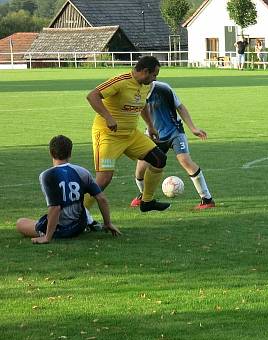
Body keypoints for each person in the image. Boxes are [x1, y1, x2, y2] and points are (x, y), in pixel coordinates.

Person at [85, 55, 170, 215]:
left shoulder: (145, 85)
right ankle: (78, 211)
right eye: (154, 74)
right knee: (103, 180)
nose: (155, 78)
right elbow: (92, 96)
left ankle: (147, 201)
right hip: (107, 135)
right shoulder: (121, 81)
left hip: (131, 136)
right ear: (145, 71)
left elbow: (142, 104)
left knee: (159, 159)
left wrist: (150, 126)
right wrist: (108, 117)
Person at [16, 135, 121, 244]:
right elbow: (101, 198)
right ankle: (90, 223)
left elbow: (55, 208)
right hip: (80, 225)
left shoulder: (47, 175)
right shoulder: (82, 172)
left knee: (20, 223)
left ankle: (49, 231)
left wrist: (47, 237)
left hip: (62, 229)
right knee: (76, 203)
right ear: (70, 153)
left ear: (51, 153)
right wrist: (107, 223)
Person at [130, 80, 215, 210]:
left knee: (185, 161)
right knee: (140, 169)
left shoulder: (163, 88)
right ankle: (144, 197)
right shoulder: (135, 91)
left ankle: (207, 199)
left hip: (174, 132)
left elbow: (180, 107)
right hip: (153, 136)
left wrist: (193, 128)